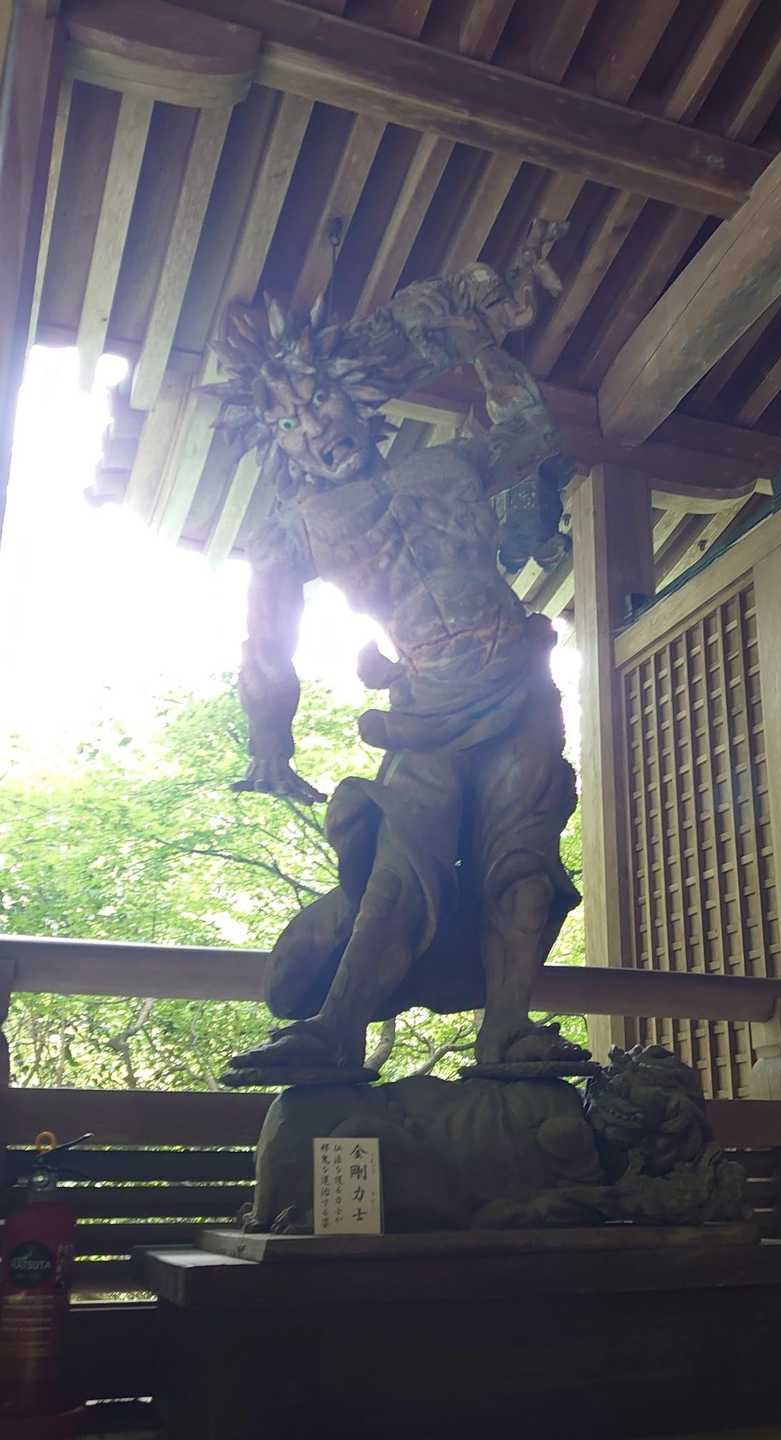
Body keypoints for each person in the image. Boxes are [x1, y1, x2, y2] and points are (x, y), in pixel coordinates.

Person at [203, 221, 586, 1079]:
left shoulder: (449, 468)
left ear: (354, 398)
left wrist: (480, 343)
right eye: (288, 421)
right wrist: (270, 745)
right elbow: (267, 650)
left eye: (320, 401)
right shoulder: (294, 533)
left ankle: (508, 1029)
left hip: (519, 686)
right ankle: (334, 1031)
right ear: (276, 443)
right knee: (400, 856)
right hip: (423, 708)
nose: (313, 426)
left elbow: (529, 432)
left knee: (524, 858)